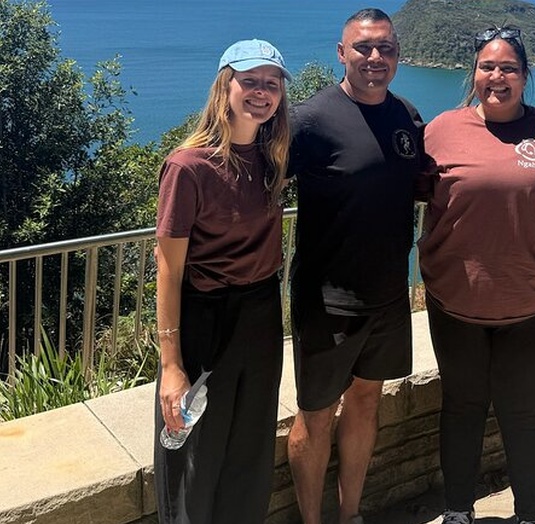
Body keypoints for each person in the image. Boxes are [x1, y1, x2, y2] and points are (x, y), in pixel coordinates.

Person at [418, 27, 535, 524]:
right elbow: (407, 199)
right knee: (461, 409)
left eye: (508, 68)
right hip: (455, 304)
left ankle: (529, 515)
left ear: (526, 75)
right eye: (486, 66)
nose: (496, 77)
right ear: (473, 72)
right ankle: (458, 511)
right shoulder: (439, 131)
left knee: (525, 417)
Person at [284, 8, 424, 524]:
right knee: (316, 415)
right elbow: (257, 186)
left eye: (385, 48)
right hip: (327, 301)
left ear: (397, 56)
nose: (374, 58)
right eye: (363, 48)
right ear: (341, 53)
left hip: (389, 295)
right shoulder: (309, 120)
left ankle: (350, 515)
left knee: (367, 403)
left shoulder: (407, 117)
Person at [153, 39, 291, 523]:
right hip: (204, 322)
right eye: (249, 81)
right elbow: (168, 269)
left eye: (271, 84)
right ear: (224, 87)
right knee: (194, 455)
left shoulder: (271, 158)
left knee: (250, 450)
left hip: (261, 316)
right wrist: (171, 365)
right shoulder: (188, 166)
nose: (261, 92)